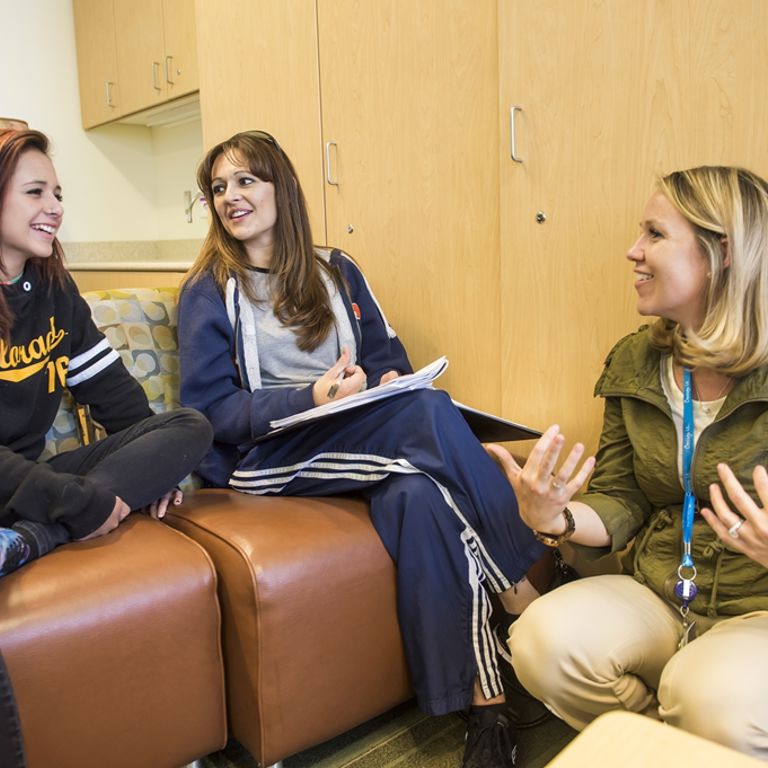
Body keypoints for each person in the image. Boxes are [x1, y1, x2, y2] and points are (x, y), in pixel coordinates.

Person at [178, 129, 566, 768]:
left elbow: (389, 358)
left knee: (420, 493)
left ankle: (483, 706)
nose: (229, 197)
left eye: (246, 180)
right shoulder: (209, 287)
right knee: (426, 412)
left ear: (283, 188)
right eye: (218, 188)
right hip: (265, 459)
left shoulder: (337, 268)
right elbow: (211, 410)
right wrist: (311, 399)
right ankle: (523, 591)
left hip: (357, 435)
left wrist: (382, 382)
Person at [487, 166, 768, 758]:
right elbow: (622, 496)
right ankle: (664, 747)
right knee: (542, 639)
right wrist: (555, 518)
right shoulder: (639, 359)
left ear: (721, 253)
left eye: (655, 235)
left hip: (757, 609)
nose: (632, 251)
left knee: (711, 696)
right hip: (663, 587)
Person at [0, 128, 213, 577]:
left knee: (188, 426)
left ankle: (32, 536)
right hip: (17, 483)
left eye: (57, 193)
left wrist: (153, 468)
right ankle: (50, 524)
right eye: (35, 192)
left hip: (34, 486)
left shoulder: (54, 290)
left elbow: (112, 392)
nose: (55, 208)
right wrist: (73, 501)